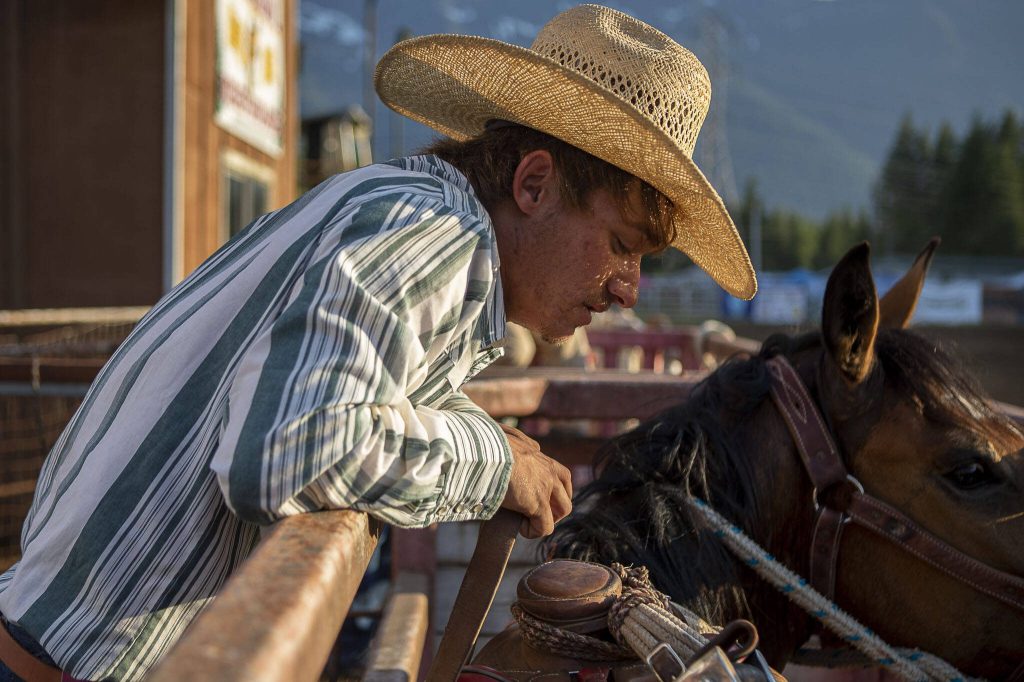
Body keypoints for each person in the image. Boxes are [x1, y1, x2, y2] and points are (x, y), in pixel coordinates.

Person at [0, 4, 756, 680]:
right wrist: (493, 463)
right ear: (533, 186)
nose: (627, 287)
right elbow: (283, 452)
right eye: (620, 244)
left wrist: (479, 434)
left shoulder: (411, 215)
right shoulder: (432, 237)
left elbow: (351, 405)